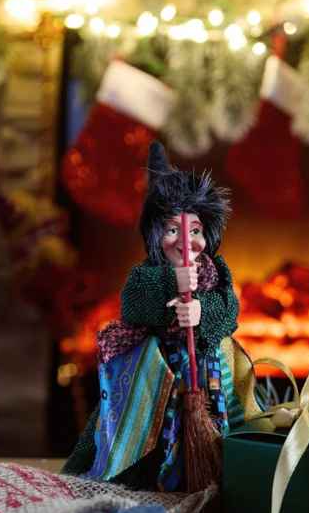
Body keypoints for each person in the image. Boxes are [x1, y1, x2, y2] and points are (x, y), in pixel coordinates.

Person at [63, 142, 257, 491]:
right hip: (159, 372)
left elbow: (229, 311)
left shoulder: (217, 271)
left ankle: (216, 476)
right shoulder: (146, 274)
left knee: (221, 420)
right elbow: (132, 305)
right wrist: (170, 283)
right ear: (156, 235)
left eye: (194, 231)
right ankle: (150, 478)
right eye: (173, 230)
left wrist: (201, 311)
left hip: (208, 373)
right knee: (152, 427)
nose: (186, 240)